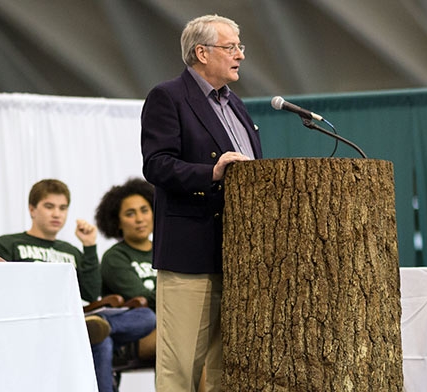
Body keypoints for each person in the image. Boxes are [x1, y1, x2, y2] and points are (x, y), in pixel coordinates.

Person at [140, 14, 263, 392]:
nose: (240, 55)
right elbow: (156, 164)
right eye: (231, 47)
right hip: (190, 254)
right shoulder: (169, 97)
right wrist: (212, 172)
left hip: (238, 256)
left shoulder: (236, 104)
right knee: (180, 368)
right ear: (201, 53)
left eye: (240, 47)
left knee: (228, 369)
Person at [0, 179, 156, 392]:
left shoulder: (72, 251)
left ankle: (93, 327)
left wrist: (89, 247)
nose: (57, 214)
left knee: (146, 318)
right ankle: (91, 329)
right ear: (32, 209)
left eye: (63, 208)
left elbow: (91, 293)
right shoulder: (8, 243)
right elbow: (0, 289)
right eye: (49, 207)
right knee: (101, 338)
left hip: (74, 318)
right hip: (35, 320)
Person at [95, 178, 156, 311]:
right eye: (130, 214)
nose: (140, 219)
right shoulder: (114, 257)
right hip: (140, 323)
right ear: (117, 222)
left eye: (144, 210)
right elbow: (142, 299)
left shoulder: (165, 251)